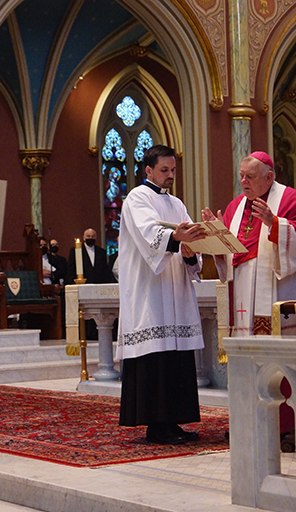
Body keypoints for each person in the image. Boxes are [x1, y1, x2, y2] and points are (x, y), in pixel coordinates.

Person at [117, 144, 207, 445]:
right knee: (155, 357)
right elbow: (148, 234)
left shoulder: (178, 204)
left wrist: (192, 251)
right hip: (149, 292)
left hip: (175, 290)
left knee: (176, 359)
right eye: (164, 170)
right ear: (149, 170)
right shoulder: (137, 198)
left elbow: (186, 246)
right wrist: (176, 238)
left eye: (173, 170)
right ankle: (156, 425)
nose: (170, 176)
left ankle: (173, 422)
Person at [203, 151, 296, 335]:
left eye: (250, 177)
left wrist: (274, 223)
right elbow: (228, 255)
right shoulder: (235, 206)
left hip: (279, 289)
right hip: (242, 291)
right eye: (241, 176)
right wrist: (217, 236)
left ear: (269, 177)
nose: (243, 181)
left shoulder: (291, 199)